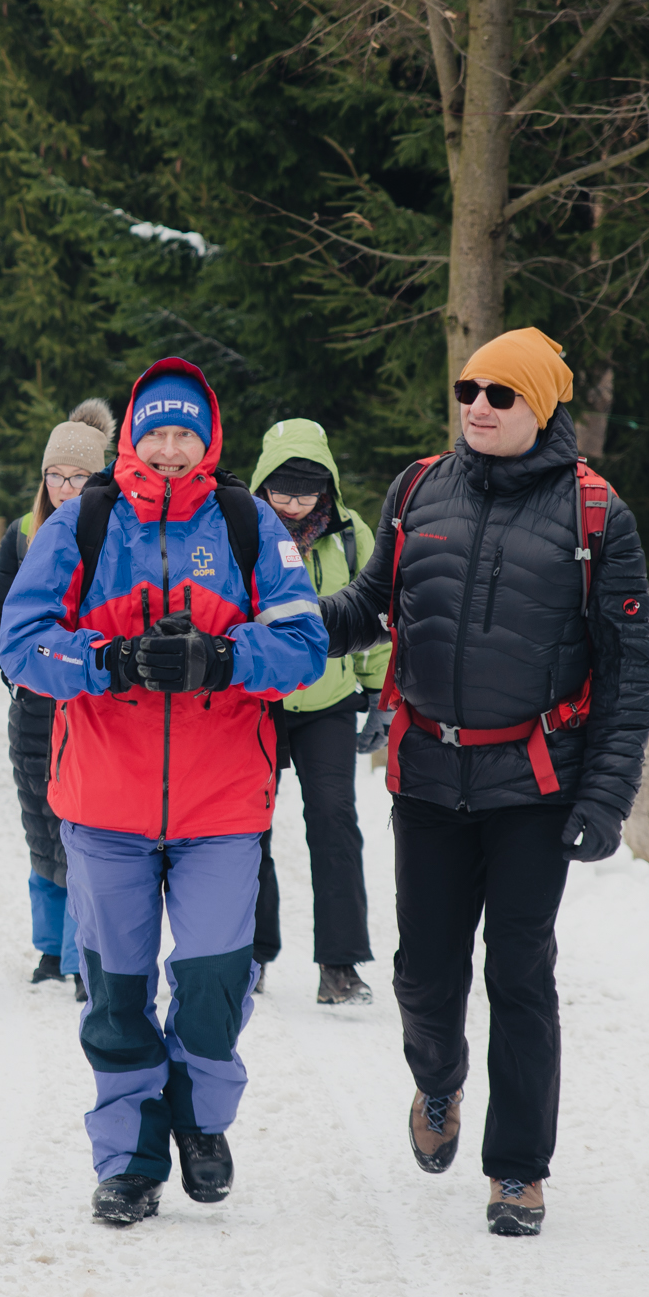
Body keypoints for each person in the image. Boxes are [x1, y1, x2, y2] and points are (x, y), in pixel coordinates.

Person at [319, 327, 649, 1236]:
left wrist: (606, 796)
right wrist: (299, 629)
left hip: (534, 784)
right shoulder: (419, 487)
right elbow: (368, 604)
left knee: (519, 971)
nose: (478, 405)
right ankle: (439, 1080)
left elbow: (628, 668)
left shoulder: (596, 515)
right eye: (469, 388)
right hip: (427, 773)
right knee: (424, 975)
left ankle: (517, 1171)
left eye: (500, 394)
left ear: (539, 406)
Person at [0, 358, 328, 1225]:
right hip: (104, 803)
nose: (172, 449)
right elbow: (22, 644)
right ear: (134, 438)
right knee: (117, 992)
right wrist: (109, 661)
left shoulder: (249, 524)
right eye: (157, 433)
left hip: (222, 806)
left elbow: (303, 645)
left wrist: (225, 657)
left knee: (218, 986)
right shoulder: (84, 525)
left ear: (208, 438)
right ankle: (131, 1156)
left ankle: (199, 1115)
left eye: (187, 433)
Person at [247, 420, 391, 1006]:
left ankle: (340, 965)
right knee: (246, 828)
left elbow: (373, 621)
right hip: (257, 701)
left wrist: (379, 695)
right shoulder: (240, 529)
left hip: (327, 701)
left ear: (326, 488)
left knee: (334, 822)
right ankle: (251, 953)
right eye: (280, 492)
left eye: (305, 493)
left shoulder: (351, 536)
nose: (292, 503)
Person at [0, 398, 114, 1001]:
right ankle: (46, 948)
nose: (64, 487)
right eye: (55, 476)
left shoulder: (115, 533)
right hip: (35, 706)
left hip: (91, 707)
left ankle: (83, 950)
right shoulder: (23, 535)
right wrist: (15, 675)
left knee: (87, 827)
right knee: (42, 827)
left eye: (77, 477)